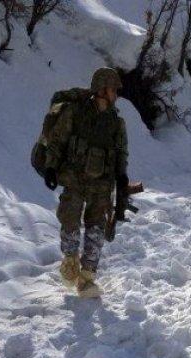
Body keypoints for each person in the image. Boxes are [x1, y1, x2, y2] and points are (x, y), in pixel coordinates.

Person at [43, 67, 129, 298]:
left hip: (102, 183)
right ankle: (70, 263)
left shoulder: (116, 122)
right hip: (75, 178)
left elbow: (121, 152)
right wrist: (50, 167)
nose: (116, 94)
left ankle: (87, 278)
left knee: (96, 228)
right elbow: (58, 140)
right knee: (69, 220)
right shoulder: (75, 112)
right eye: (113, 89)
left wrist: (122, 176)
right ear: (102, 89)